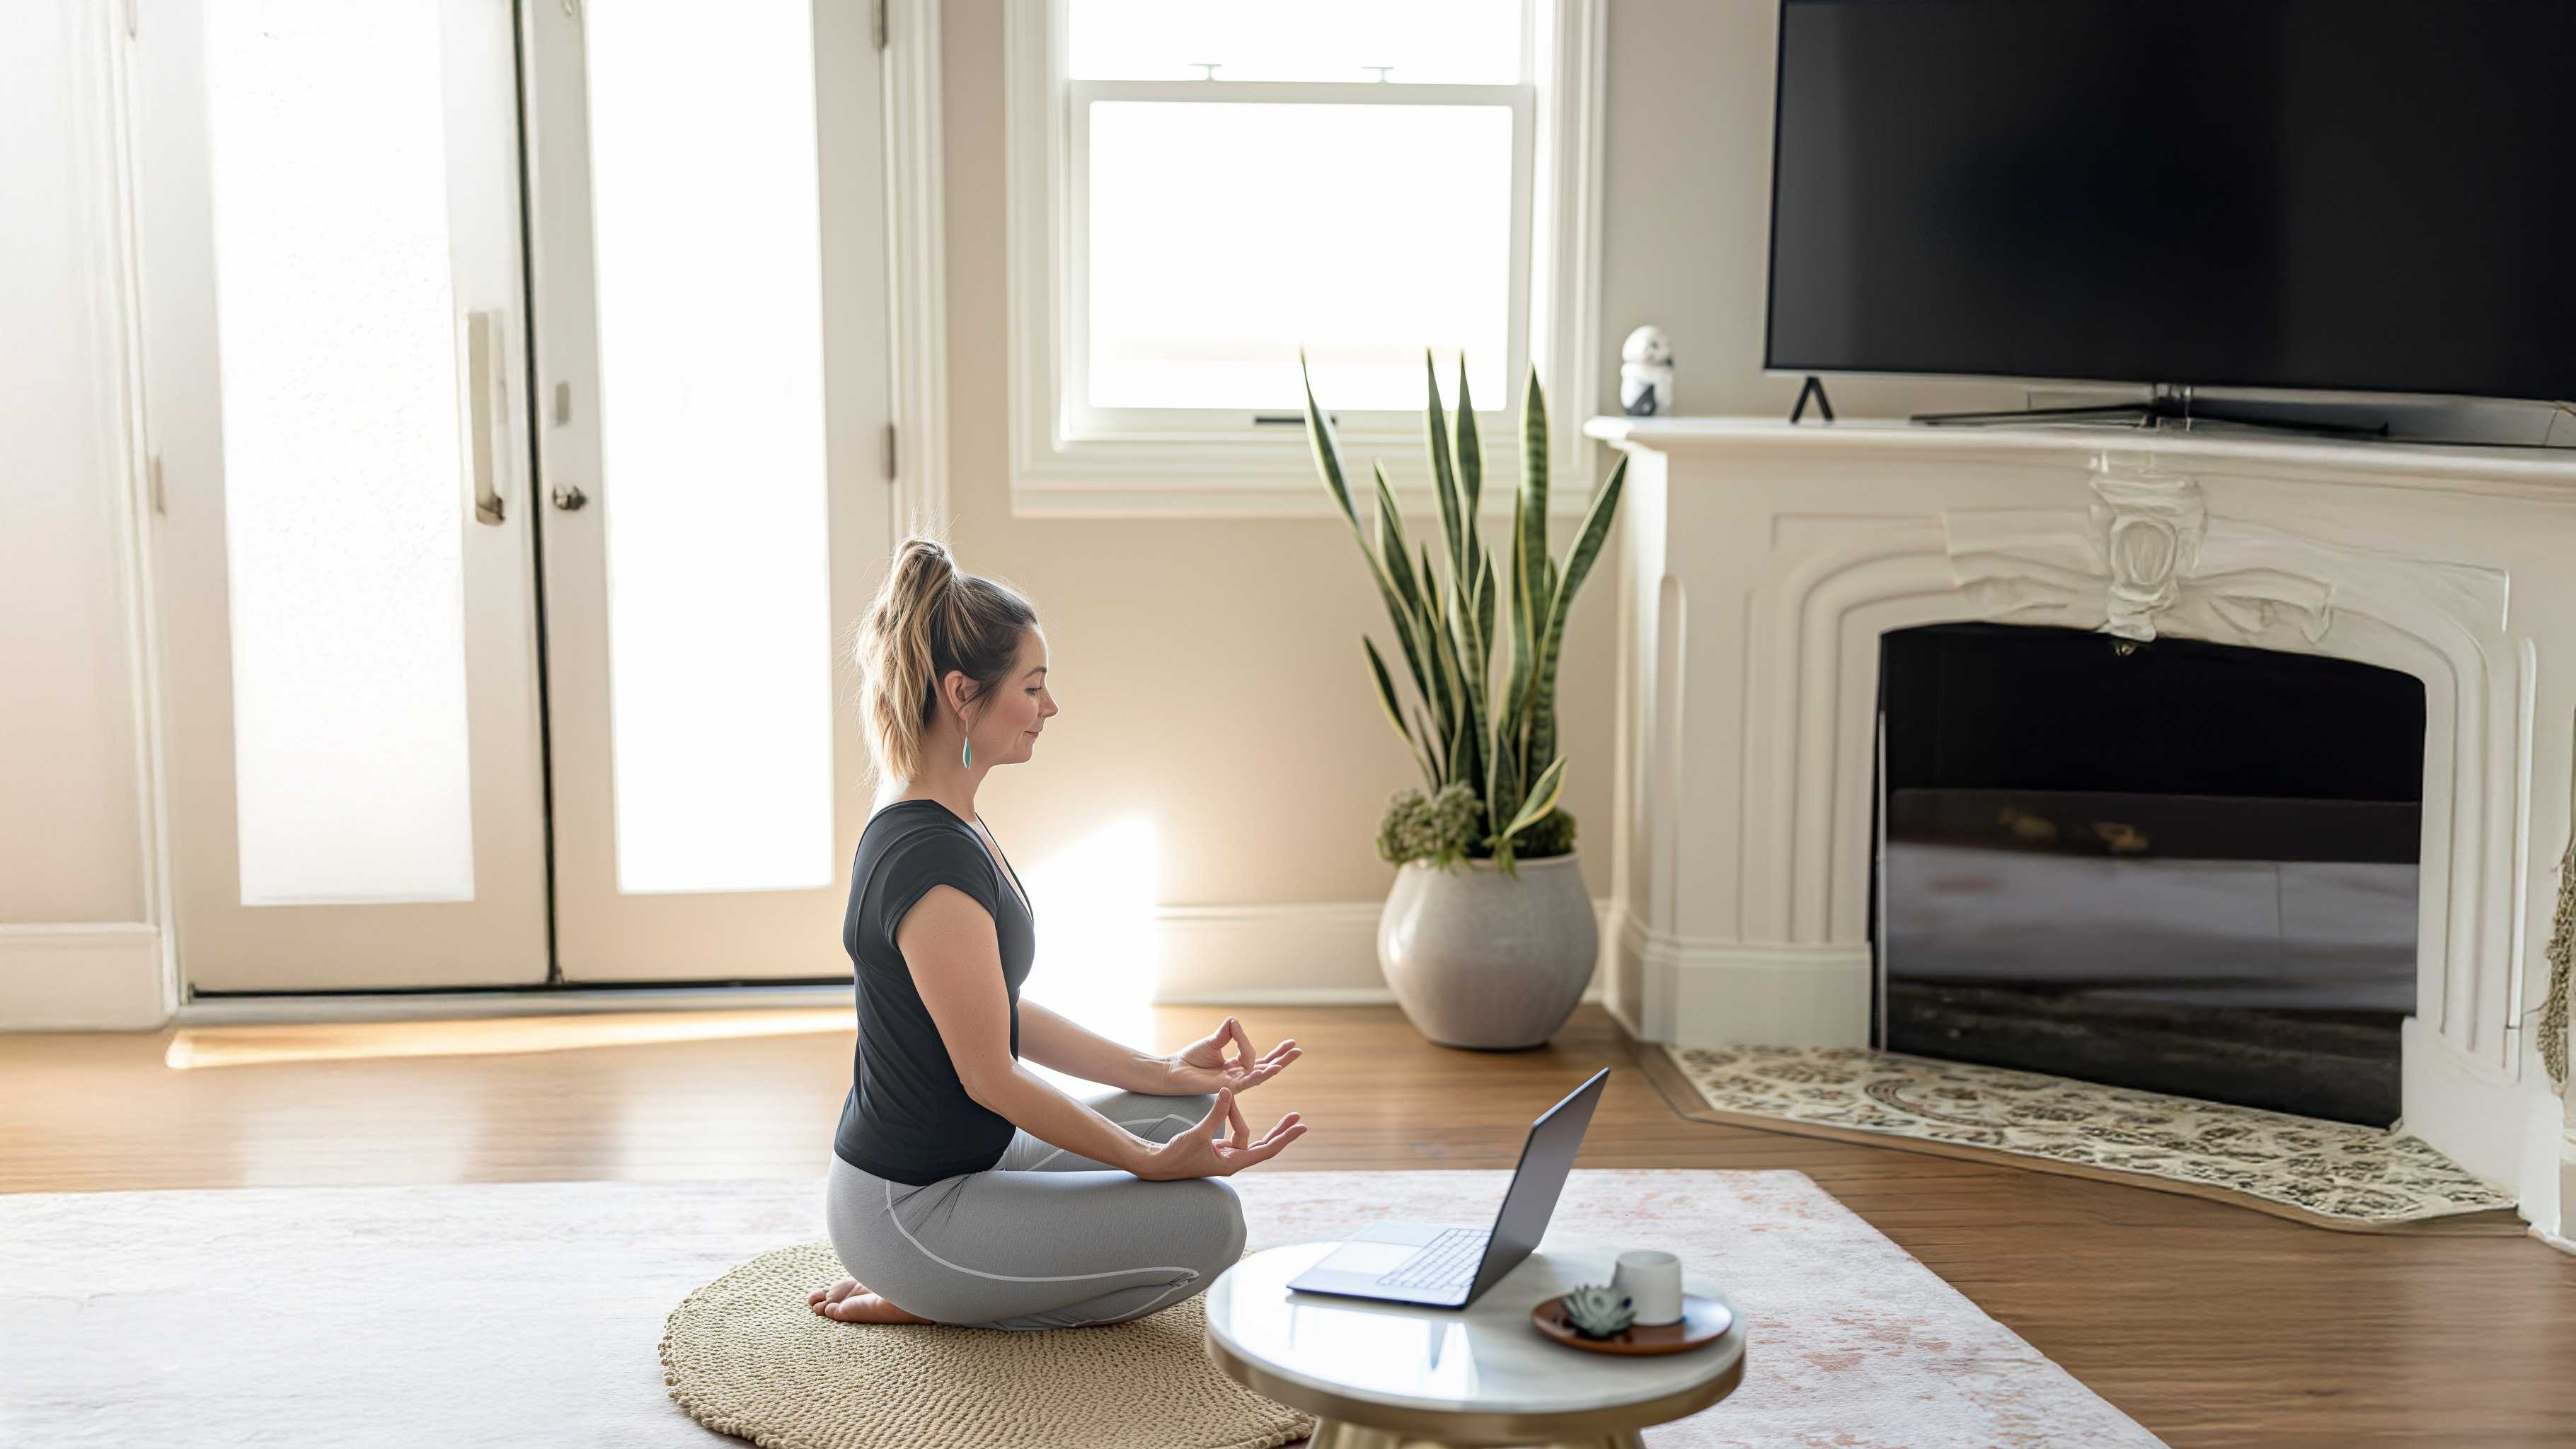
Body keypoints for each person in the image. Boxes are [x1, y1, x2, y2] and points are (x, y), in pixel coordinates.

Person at [811, 534, 1308, 1329]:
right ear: (962, 693)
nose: (1050, 708)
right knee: (1214, 1224)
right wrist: (1142, 1162)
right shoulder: (929, 857)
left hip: (974, 1160)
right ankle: (935, 1289)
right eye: (1033, 687)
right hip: (913, 1207)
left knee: (1186, 1110)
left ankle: (968, 1280)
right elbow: (990, 1074)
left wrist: (1163, 1068)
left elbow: (998, 1010)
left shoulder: (947, 814)